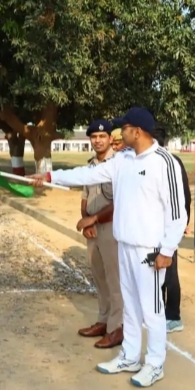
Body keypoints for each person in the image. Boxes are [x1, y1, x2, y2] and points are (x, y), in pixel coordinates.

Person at [27, 107, 187, 387]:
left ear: (137, 131)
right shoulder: (122, 159)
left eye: (123, 129)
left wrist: (167, 250)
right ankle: (129, 357)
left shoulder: (164, 162)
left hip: (150, 250)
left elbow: (177, 212)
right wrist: (51, 177)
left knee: (152, 310)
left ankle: (154, 364)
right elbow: (87, 175)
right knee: (130, 308)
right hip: (124, 244)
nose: (118, 134)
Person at [76, 119, 124, 349]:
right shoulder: (91, 166)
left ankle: (117, 329)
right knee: (99, 277)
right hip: (93, 230)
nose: (97, 140)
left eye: (102, 136)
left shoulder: (119, 165)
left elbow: (120, 202)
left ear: (111, 139)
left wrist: (93, 219)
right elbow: (85, 197)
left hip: (112, 229)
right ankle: (103, 321)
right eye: (94, 137)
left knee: (115, 281)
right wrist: (86, 221)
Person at [151, 126, 191, 333]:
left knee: (169, 273)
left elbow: (184, 197)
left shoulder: (171, 162)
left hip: (168, 228)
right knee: (155, 270)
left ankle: (173, 316)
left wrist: (182, 224)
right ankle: (158, 312)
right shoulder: (152, 162)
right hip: (153, 228)